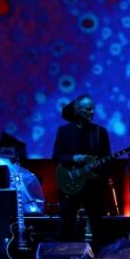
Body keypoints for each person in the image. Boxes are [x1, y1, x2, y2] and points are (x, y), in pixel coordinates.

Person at [52, 95, 111, 244]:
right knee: (67, 224)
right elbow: (57, 156)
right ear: (78, 110)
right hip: (71, 183)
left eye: (93, 109)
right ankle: (68, 254)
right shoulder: (64, 131)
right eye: (88, 109)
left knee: (97, 225)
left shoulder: (100, 132)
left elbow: (107, 159)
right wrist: (72, 158)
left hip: (93, 185)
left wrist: (100, 173)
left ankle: (97, 254)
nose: (92, 112)